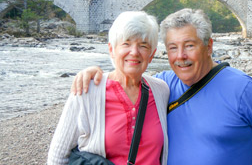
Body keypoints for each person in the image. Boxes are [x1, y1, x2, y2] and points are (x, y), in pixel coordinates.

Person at [71, 8, 252, 165]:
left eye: (189, 46)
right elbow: (128, 78)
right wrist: (95, 72)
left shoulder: (243, 89)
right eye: (173, 48)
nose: (181, 56)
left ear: (209, 46)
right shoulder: (163, 85)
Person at [47, 11, 169, 165]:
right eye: (126, 43)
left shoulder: (161, 91)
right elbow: (57, 157)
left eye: (143, 45)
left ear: (152, 55)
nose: (134, 52)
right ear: (111, 49)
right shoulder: (87, 90)